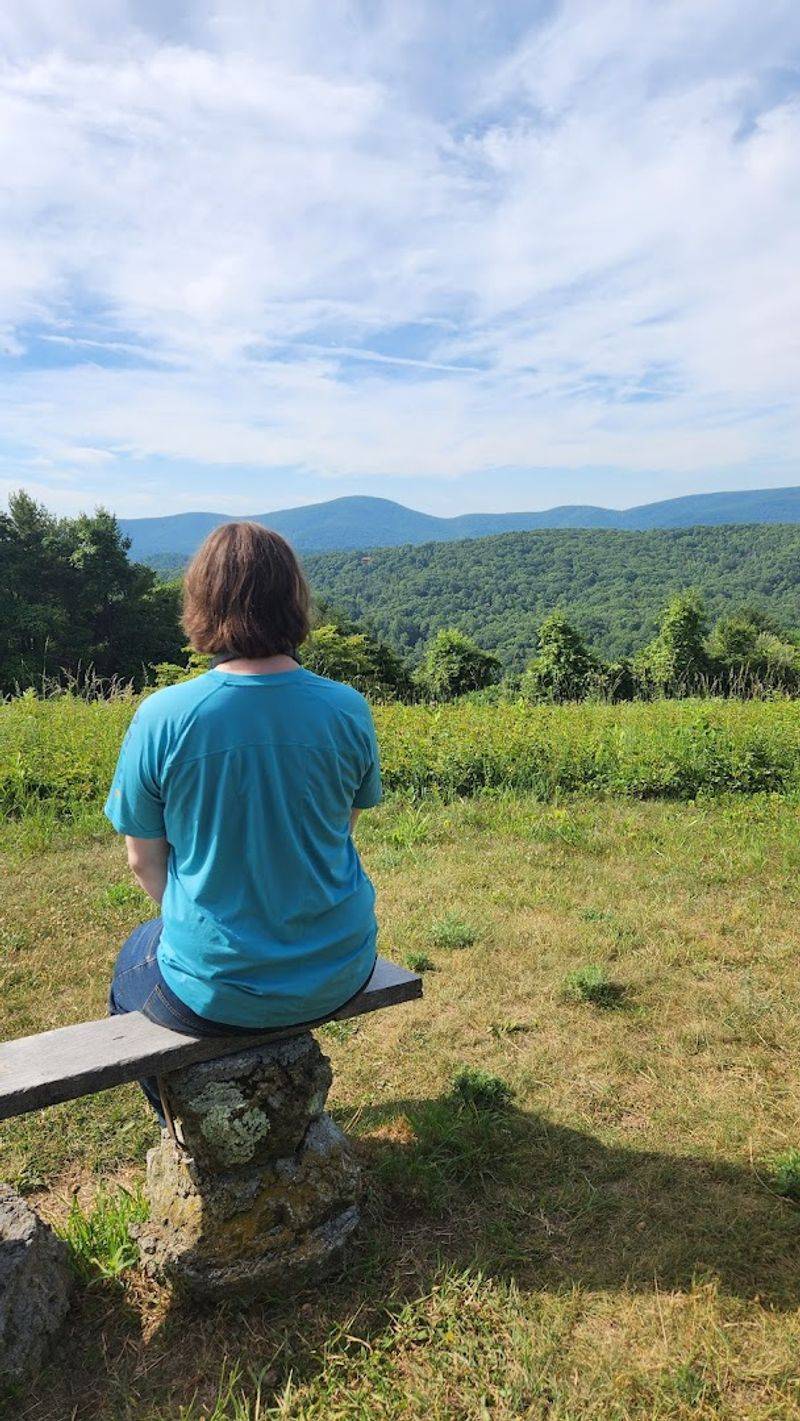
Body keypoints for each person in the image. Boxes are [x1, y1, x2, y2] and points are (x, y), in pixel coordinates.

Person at [105, 521, 381, 1120]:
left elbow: (143, 860)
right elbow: (342, 826)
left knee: (131, 963)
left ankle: (184, 1128)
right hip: (341, 965)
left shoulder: (164, 716)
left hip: (219, 987)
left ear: (203, 601)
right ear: (294, 600)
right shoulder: (346, 708)